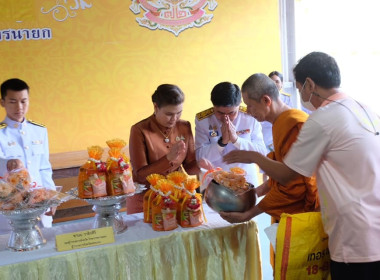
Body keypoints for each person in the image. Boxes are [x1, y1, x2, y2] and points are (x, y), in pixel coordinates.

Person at [222, 52, 380, 280]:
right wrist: (256, 191)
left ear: (309, 84)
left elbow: (289, 177)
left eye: (299, 88)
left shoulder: (322, 118)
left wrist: (254, 159)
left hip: (355, 234)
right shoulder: (365, 109)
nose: (301, 95)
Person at [221, 73, 319, 221]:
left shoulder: (294, 124)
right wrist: (255, 193)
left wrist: (249, 214)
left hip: (303, 217)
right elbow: (280, 174)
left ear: (266, 100)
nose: (247, 111)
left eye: (250, 106)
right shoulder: (281, 123)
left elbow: (292, 183)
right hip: (289, 215)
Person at [127, 84, 200, 214]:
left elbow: (189, 168)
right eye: (169, 114)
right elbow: (140, 175)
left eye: (179, 113)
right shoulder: (139, 130)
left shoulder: (184, 126)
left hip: (178, 195)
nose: (174, 119)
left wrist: (203, 163)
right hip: (146, 197)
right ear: (156, 107)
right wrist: (168, 159)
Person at [0, 78, 56, 232]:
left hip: (39, 202)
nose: (19, 107)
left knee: (44, 243)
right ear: (2, 102)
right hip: (11, 206)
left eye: (23, 101)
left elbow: (44, 167)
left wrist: (51, 197)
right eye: (13, 101)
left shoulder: (39, 130)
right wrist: (8, 162)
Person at [194, 81, 267, 187]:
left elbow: (262, 152)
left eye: (232, 113)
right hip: (215, 181)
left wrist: (237, 140)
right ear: (213, 106)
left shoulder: (250, 117)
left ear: (239, 104)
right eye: (220, 113)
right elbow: (200, 156)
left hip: (245, 180)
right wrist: (221, 143)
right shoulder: (203, 120)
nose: (225, 118)